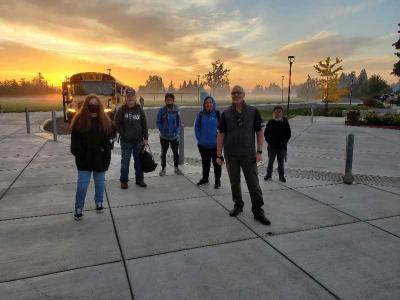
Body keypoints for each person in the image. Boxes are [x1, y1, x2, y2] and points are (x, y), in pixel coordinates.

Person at [216, 85, 271, 225]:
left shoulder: (253, 111)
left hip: (248, 155)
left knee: (253, 183)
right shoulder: (226, 114)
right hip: (231, 155)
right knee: (235, 182)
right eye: (233, 93)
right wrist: (219, 154)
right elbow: (221, 135)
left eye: (239, 92)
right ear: (231, 96)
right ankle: (238, 205)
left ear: (244, 94)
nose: (236, 95)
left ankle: (258, 211)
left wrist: (259, 151)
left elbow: (259, 132)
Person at [70, 94, 114, 220]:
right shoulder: (79, 121)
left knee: (100, 183)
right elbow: (75, 143)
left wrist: (106, 148)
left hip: (100, 159)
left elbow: (110, 137)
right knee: (82, 185)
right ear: (86, 106)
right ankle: (78, 207)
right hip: (84, 160)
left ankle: (99, 202)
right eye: (91, 104)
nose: (93, 106)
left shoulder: (105, 120)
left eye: (95, 104)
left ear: (99, 106)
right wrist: (81, 155)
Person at [114, 88, 148, 189]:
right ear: (126, 98)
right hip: (126, 142)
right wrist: (123, 133)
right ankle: (124, 181)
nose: (130, 99)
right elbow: (116, 123)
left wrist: (145, 138)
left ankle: (139, 180)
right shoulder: (122, 110)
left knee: (138, 162)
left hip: (138, 142)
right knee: (125, 162)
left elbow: (144, 124)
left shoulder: (139, 109)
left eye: (132, 97)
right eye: (128, 97)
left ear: (135, 98)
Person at [194, 95, 222, 188]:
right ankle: (205, 178)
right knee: (205, 163)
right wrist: (200, 138)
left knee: (217, 164)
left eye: (210, 102)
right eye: (206, 103)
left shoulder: (218, 114)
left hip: (216, 146)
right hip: (203, 145)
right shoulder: (200, 115)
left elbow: (222, 129)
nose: (208, 104)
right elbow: (196, 127)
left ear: (213, 103)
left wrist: (221, 141)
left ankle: (217, 181)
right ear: (204, 104)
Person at [156, 93, 183, 176]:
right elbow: (158, 122)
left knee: (176, 153)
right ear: (165, 101)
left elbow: (179, 122)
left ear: (173, 101)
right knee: (163, 153)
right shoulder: (161, 110)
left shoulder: (177, 110)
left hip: (174, 137)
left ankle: (176, 168)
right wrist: (163, 131)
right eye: (167, 100)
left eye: (171, 100)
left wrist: (177, 132)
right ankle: (163, 169)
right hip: (164, 137)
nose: (169, 101)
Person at [264, 106, 291, 182]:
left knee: (281, 163)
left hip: (281, 148)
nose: (277, 113)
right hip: (272, 147)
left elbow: (288, 134)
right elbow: (266, 134)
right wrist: (270, 142)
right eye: (276, 111)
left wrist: (283, 143)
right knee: (270, 162)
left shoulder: (285, 122)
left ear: (282, 113)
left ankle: (281, 176)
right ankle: (269, 175)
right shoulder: (270, 122)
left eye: (279, 111)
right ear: (273, 113)